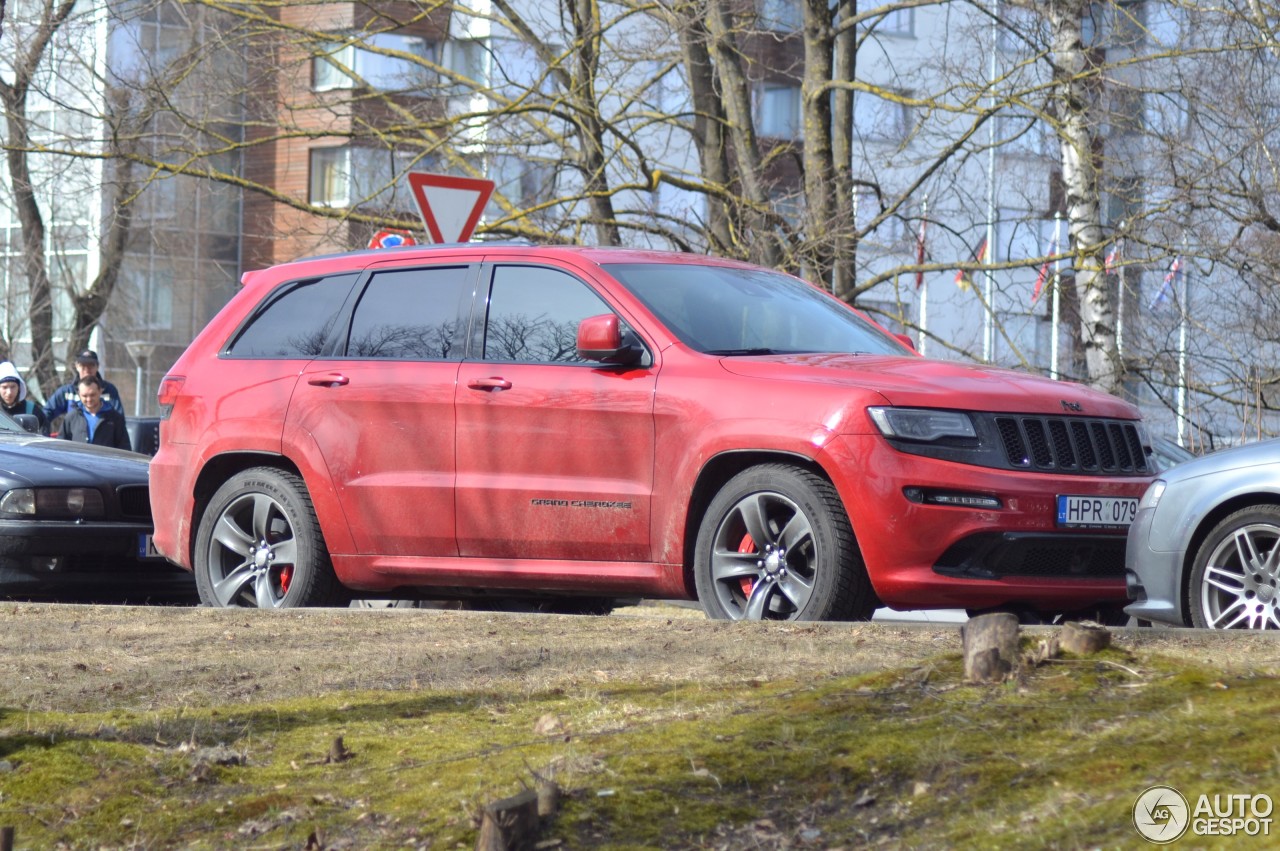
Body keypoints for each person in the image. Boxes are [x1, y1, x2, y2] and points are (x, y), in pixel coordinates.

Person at [42, 349, 124, 424]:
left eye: (91, 365)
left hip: (102, 438)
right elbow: (46, 414)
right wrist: (43, 432)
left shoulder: (109, 391)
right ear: (77, 366)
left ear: (97, 367)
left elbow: (119, 421)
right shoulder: (67, 392)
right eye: (83, 365)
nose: (87, 369)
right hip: (74, 439)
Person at [59, 374, 132, 450]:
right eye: (84, 396)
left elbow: (124, 448)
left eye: (92, 395)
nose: (89, 399)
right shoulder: (72, 417)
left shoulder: (115, 418)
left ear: (100, 391)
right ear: (79, 394)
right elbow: (61, 446)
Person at [0, 361, 50, 434]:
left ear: (19, 388)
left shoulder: (31, 410)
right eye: (4, 387)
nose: (9, 392)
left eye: (13, 387)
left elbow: (44, 437)